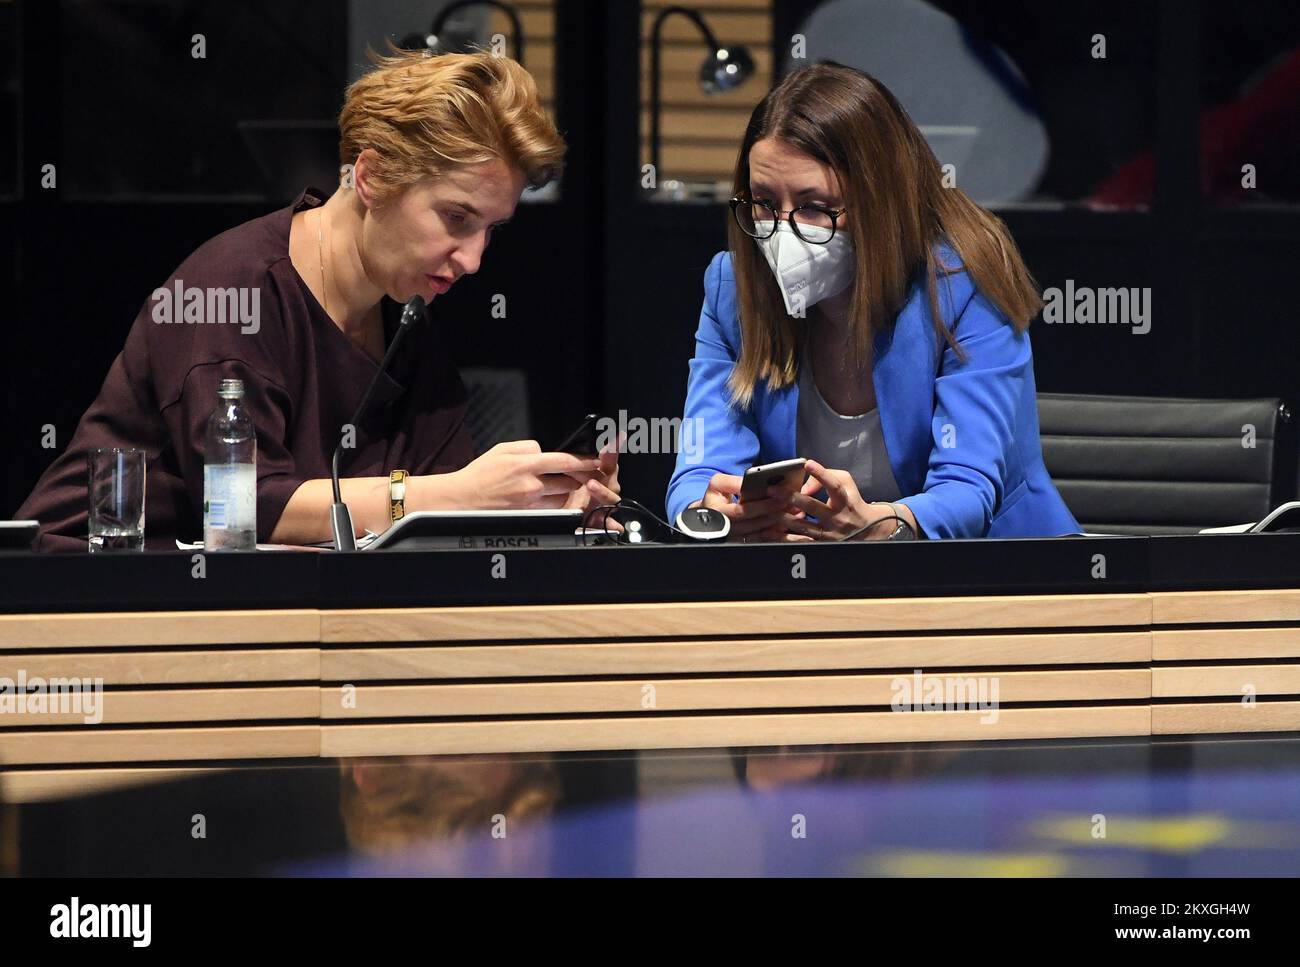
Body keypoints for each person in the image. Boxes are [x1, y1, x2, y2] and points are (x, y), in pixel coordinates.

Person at [16, 50, 618, 551]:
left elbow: (438, 519)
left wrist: (544, 508)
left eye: (491, 229)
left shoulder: (406, 320)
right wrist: (461, 495)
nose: (473, 258)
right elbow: (247, 507)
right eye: (456, 217)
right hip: (93, 599)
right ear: (372, 177)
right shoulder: (230, 290)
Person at [665, 62, 1079, 542]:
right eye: (762, 202)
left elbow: (968, 490)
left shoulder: (965, 284)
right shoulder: (734, 288)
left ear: (880, 202)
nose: (781, 230)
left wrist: (879, 527)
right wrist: (711, 514)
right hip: (810, 584)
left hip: (999, 582)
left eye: (814, 206)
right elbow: (698, 469)